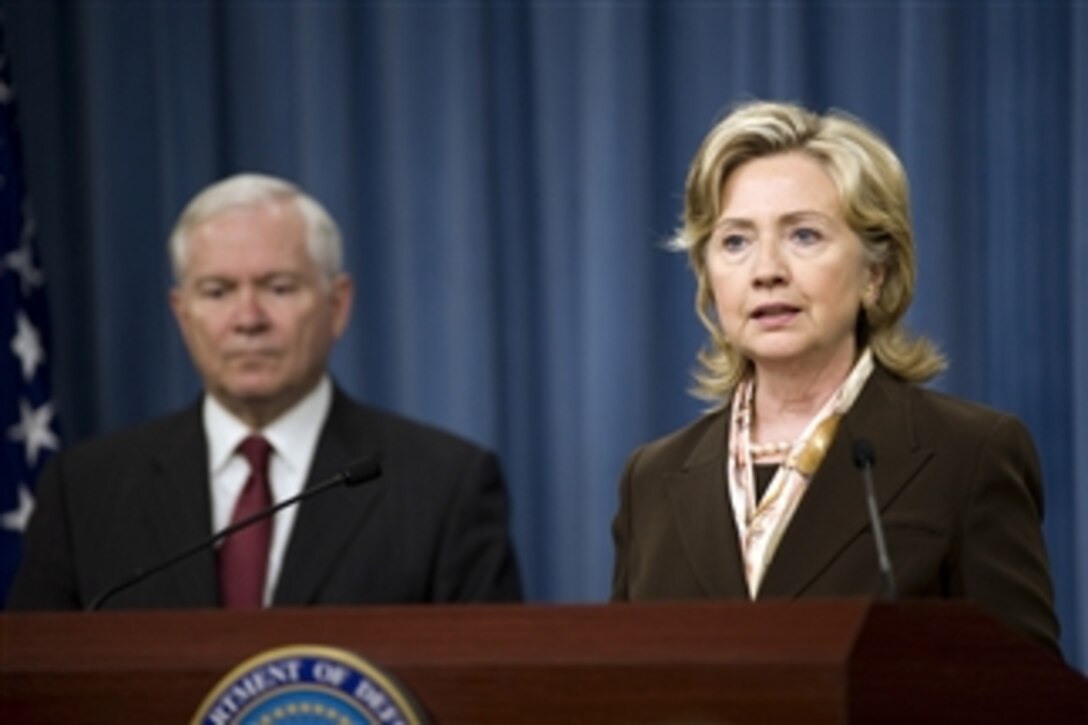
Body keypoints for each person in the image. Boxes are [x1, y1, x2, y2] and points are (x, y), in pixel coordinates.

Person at [610, 100, 1061, 654]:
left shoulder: (968, 456)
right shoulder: (651, 480)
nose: (767, 270)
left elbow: (1025, 698)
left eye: (803, 236)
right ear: (708, 277)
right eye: (735, 241)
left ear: (876, 272)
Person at [9, 173, 522, 610]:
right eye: (217, 291)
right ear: (181, 313)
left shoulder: (444, 486)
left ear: (337, 304)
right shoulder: (85, 493)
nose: (248, 320)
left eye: (278, 288)